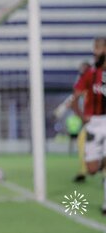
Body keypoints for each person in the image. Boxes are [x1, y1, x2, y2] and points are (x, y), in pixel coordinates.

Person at [70, 36, 106, 213]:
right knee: (92, 169)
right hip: (93, 124)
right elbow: (74, 99)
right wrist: (82, 116)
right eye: (95, 48)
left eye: (99, 48)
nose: (96, 52)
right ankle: (101, 164)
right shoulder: (89, 74)